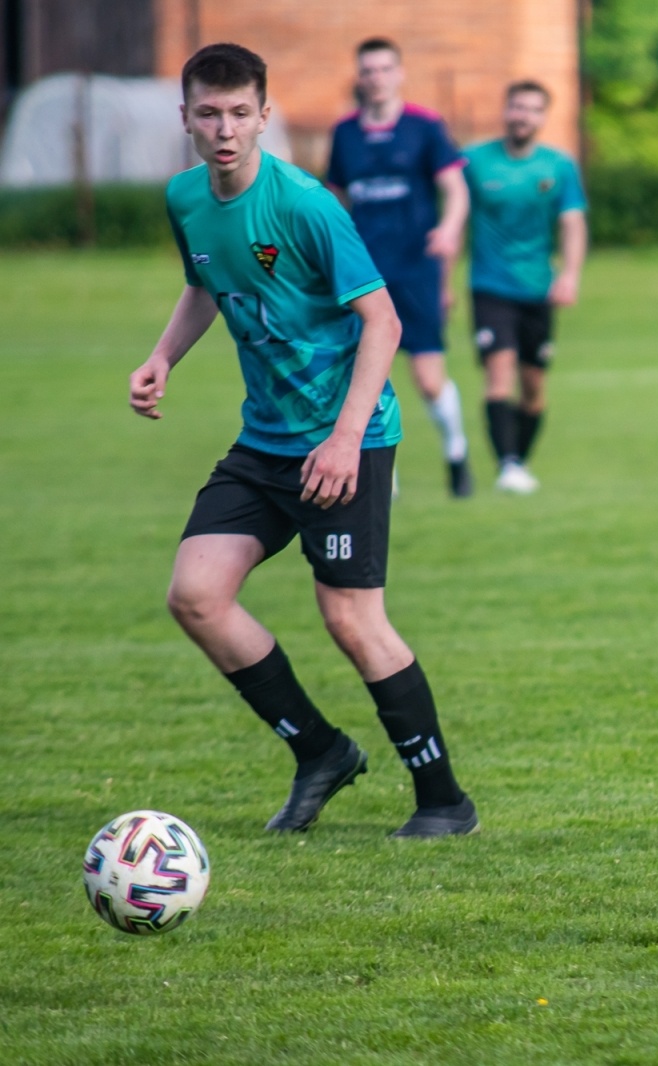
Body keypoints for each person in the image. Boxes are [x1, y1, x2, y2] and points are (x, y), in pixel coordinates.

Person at [129, 42, 477, 838]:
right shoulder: (186, 199)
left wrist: (345, 440)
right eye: (209, 114)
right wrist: (161, 358)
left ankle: (443, 801)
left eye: (239, 114)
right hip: (266, 442)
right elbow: (206, 287)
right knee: (197, 595)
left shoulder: (307, 205)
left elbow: (382, 321)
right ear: (185, 117)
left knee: (352, 619)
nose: (224, 130)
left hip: (347, 435)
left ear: (265, 116)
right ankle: (320, 752)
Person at [326, 37, 473, 497]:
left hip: (415, 271)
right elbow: (334, 200)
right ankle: (382, 479)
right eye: (367, 70)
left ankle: (456, 450)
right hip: (364, 275)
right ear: (360, 76)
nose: (376, 78)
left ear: (400, 73)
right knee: (367, 380)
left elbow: (456, 189)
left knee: (429, 380)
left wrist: (449, 229)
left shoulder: (425, 127)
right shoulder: (344, 132)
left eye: (385, 68)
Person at [461, 80, 587, 494]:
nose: (522, 115)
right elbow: (453, 213)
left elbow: (572, 222)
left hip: (538, 290)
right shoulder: (475, 161)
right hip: (490, 286)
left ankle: (518, 462)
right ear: (505, 110)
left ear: (543, 117)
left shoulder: (558, 165)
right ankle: (508, 464)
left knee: (533, 387)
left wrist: (569, 275)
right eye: (516, 106)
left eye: (533, 109)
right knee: (499, 375)